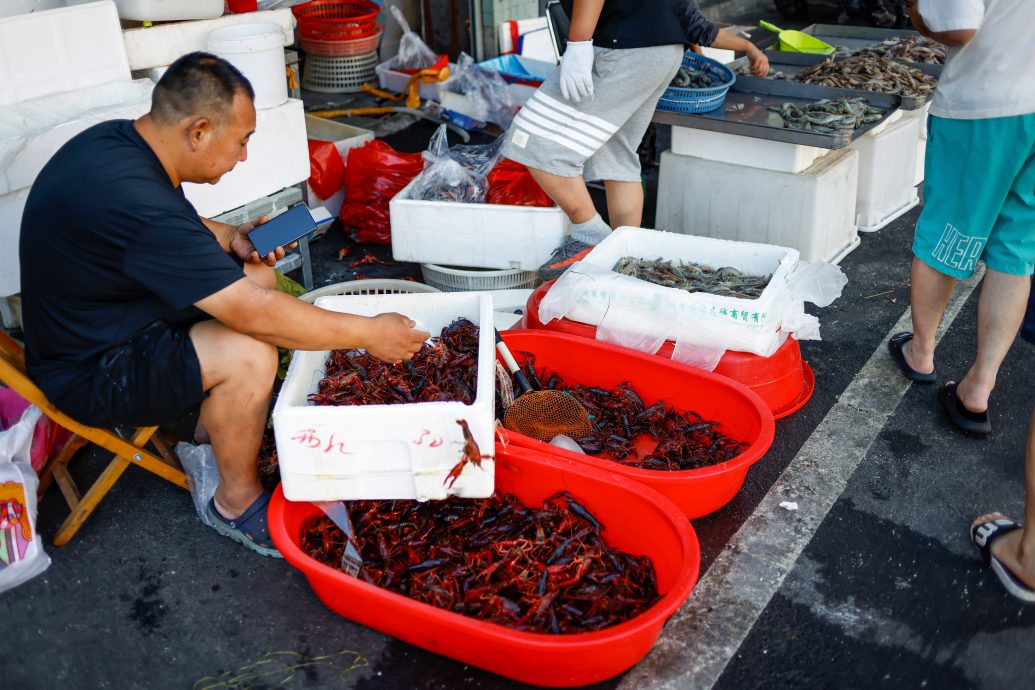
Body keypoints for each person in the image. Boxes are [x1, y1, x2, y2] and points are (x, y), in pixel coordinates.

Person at [18, 53, 429, 558]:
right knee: (249, 353)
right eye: (242, 140)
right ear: (199, 131)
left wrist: (234, 235)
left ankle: (222, 417)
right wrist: (370, 333)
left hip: (108, 314)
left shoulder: (120, 145)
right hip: (90, 367)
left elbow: (178, 229)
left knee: (256, 273)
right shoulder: (133, 199)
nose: (243, 156)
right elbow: (250, 313)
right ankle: (234, 501)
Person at [501, 0, 769, 281]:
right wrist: (737, 47)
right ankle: (626, 263)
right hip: (661, 55)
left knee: (530, 140)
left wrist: (578, 46)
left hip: (623, 49)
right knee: (617, 154)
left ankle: (589, 235)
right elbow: (689, 18)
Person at [887, 0, 1035, 435]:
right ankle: (978, 388)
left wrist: (915, 14)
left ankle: (921, 353)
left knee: (948, 237)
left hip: (984, 105)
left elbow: (959, 25)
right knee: (1016, 252)